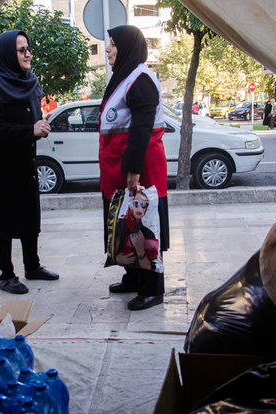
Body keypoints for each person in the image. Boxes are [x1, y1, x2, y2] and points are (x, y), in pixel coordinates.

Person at [0, 30, 59, 295]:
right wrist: (30, 130)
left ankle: (32, 266)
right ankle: (6, 274)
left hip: (23, 157)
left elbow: (33, 116)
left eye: (28, 48)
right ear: (8, 53)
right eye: (21, 50)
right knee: (4, 218)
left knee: (28, 213)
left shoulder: (29, 80)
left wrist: (41, 125)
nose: (27, 54)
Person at [100, 25, 169, 311]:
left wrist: (132, 170)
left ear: (127, 47)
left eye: (113, 44)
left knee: (145, 228)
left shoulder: (141, 78)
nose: (107, 49)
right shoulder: (125, 77)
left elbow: (142, 129)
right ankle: (132, 277)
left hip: (140, 172)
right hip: (118, 171)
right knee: (124, 228)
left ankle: (152, 289)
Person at [114, 189, 159, 272]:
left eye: (144, 204)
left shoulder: (148, 233)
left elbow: (152, 266)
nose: (139, 208)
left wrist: (140, 250)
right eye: (136, 203)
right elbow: (114, 253)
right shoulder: (120, 226)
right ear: (131, 205)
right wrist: (117, 259)